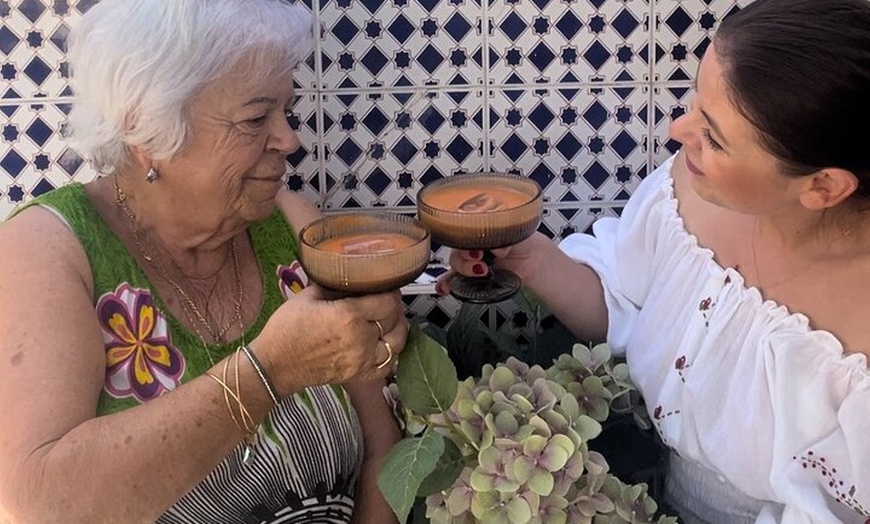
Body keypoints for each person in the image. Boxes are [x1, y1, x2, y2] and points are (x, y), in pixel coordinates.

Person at [443, 0, 870, 522]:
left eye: (712, 136)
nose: (677, 131)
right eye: (695, 101)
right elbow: (626, 309)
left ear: (823, 186)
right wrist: (530, 258)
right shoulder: (690, 196)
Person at [0, 1, 407, 523]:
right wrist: (269, 371)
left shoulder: (294, 227)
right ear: (148, 133)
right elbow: (36, 503)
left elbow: (385, 449)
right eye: (256, 118)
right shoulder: (47, 250)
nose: (289, 139)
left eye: (286, 111)